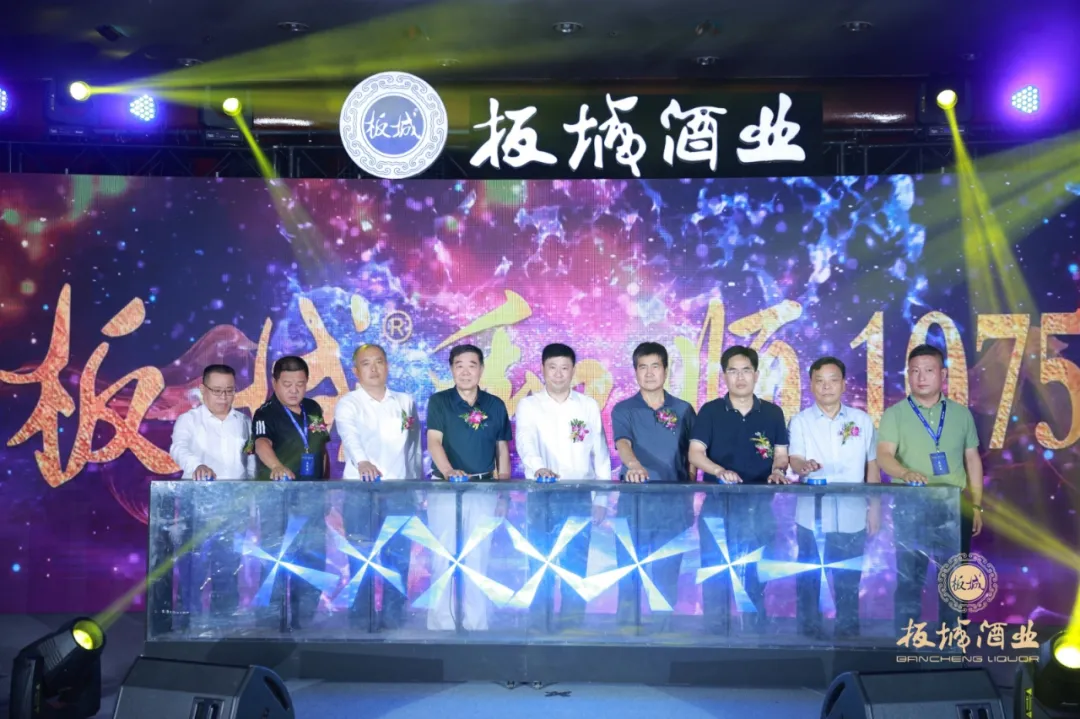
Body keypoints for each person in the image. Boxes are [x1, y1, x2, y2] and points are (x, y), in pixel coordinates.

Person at [877, 344, 983, 635]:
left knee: (955, 581)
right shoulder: (895, 414)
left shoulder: (961, 414)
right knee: (909, 578)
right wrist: (904, 473)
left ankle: (952, 640)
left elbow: (973, 459)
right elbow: (884, 455)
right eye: (914, 371)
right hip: (910, 505)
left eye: (928, 370)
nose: (921, 377)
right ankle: (907, 640)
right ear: (908, 375)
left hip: (953, 506)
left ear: (943, 374)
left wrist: (976, 504)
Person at [689, 345, 790, 633]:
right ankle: (715, 633)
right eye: (733, 371)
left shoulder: (772, 413)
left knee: (755, 574)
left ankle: (755, 633)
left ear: (756, 375)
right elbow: (695, 453)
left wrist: (778, 470)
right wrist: (719, 471)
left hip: (759, 509)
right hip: (717, 507)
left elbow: (781, 454)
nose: (740, 377)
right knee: (715, 573)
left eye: (746, 370)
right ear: (724, 376)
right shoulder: (710, 411)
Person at [515, 343, 612, 632]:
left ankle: (572, 626)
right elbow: (525, 441)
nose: (558, 374)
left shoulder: (587, 405)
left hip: (579, 495)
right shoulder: (529, 405)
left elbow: (600, 454)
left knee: (575, 564)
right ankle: (539, 625)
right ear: (542, 370)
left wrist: (601, 499)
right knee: (540, 561)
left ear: (573, 371)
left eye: (564, 368)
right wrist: (538, 468)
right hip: (541, 494)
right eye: (552, 367)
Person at [787, 357, 879, 640]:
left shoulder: (862, 420)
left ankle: (848, 634)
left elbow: (872, 465)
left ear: (844, 384)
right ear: (811, 385)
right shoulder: (801, 421)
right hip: (811, 514)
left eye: (833, 380)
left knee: (848, 577)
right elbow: (795, 459)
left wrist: (874, 507)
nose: (826, 386)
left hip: (852, 513)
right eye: (820, 381)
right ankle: (808, 633)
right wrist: (803, 467)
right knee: (809, 577)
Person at [335, 343, 422, 631]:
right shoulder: (349, 403)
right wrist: (362, 462)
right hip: (360, 491)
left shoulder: (405, 402)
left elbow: (413, 448)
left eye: (379, 362)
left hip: (399, 490)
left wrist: (417, 484)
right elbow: (349, 436)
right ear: (356, 370)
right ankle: (361, 616)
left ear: (387, 365)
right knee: (361, 554)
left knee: (398, 555)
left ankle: (394, 614)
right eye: (366, 363)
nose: (374, 369)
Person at [425, 344, 512, 631]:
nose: (465, 372)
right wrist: (449, 472)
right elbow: (434, 442)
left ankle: (476, 624)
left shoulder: (495, 405)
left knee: (478, 558)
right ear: (451, 369)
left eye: (471, 365)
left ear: (481, 369)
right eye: (459, 365)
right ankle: (441, 624)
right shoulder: (439, 401)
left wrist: (503, 493)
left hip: (484, 489)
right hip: (444, 489)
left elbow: (502, 451)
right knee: (442, 556)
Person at [610, 342, 696, 630]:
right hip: (633, 505)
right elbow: (623, 443)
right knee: (629, 571)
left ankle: (662, 631)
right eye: (642, 367)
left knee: (667, 573)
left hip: (674, 507)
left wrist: (690, 495)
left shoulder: (683, 409)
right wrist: (634, 466)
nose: (649, 373)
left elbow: (692, 456)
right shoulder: (624, 409)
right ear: (635, 372)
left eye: (655, 366)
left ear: (666, 370)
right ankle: (626, 631)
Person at [167, 364, 254, 626]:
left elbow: (250, 464)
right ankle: (187, 623)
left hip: (233, 505)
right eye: (217, 391)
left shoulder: (244, 422)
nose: (223, 397)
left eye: (229, 391)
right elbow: (178, 448)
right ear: (203, 390)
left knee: (228, 566)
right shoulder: (189, 420)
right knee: (193, 566)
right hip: (197, 503)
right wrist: (197, 466)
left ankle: (223, 622)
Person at [250, 356, 333, 631]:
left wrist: (325, 487)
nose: (294, 390)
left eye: (300, 384)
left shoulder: (313, 408)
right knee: (275, 556)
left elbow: (321, 449)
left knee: (313, 556)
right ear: (274, 383)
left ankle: (304, 618)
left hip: (312, 496)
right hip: (278, 498)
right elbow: (262, 444)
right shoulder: (265, 413)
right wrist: (277, 466)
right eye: (287, 384)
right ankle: (271, 620)